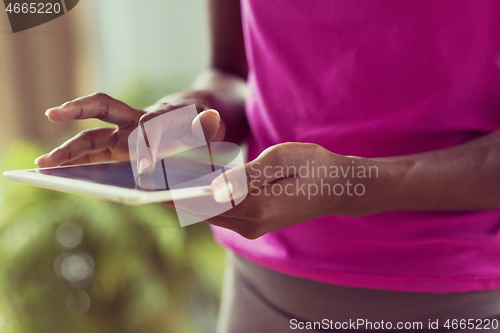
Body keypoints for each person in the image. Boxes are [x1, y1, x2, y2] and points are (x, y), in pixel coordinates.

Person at [36, 0, 500, 332]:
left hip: (460, 296)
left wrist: (349, 184)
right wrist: (182, 118)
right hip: (261, 293)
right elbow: (234, 74)